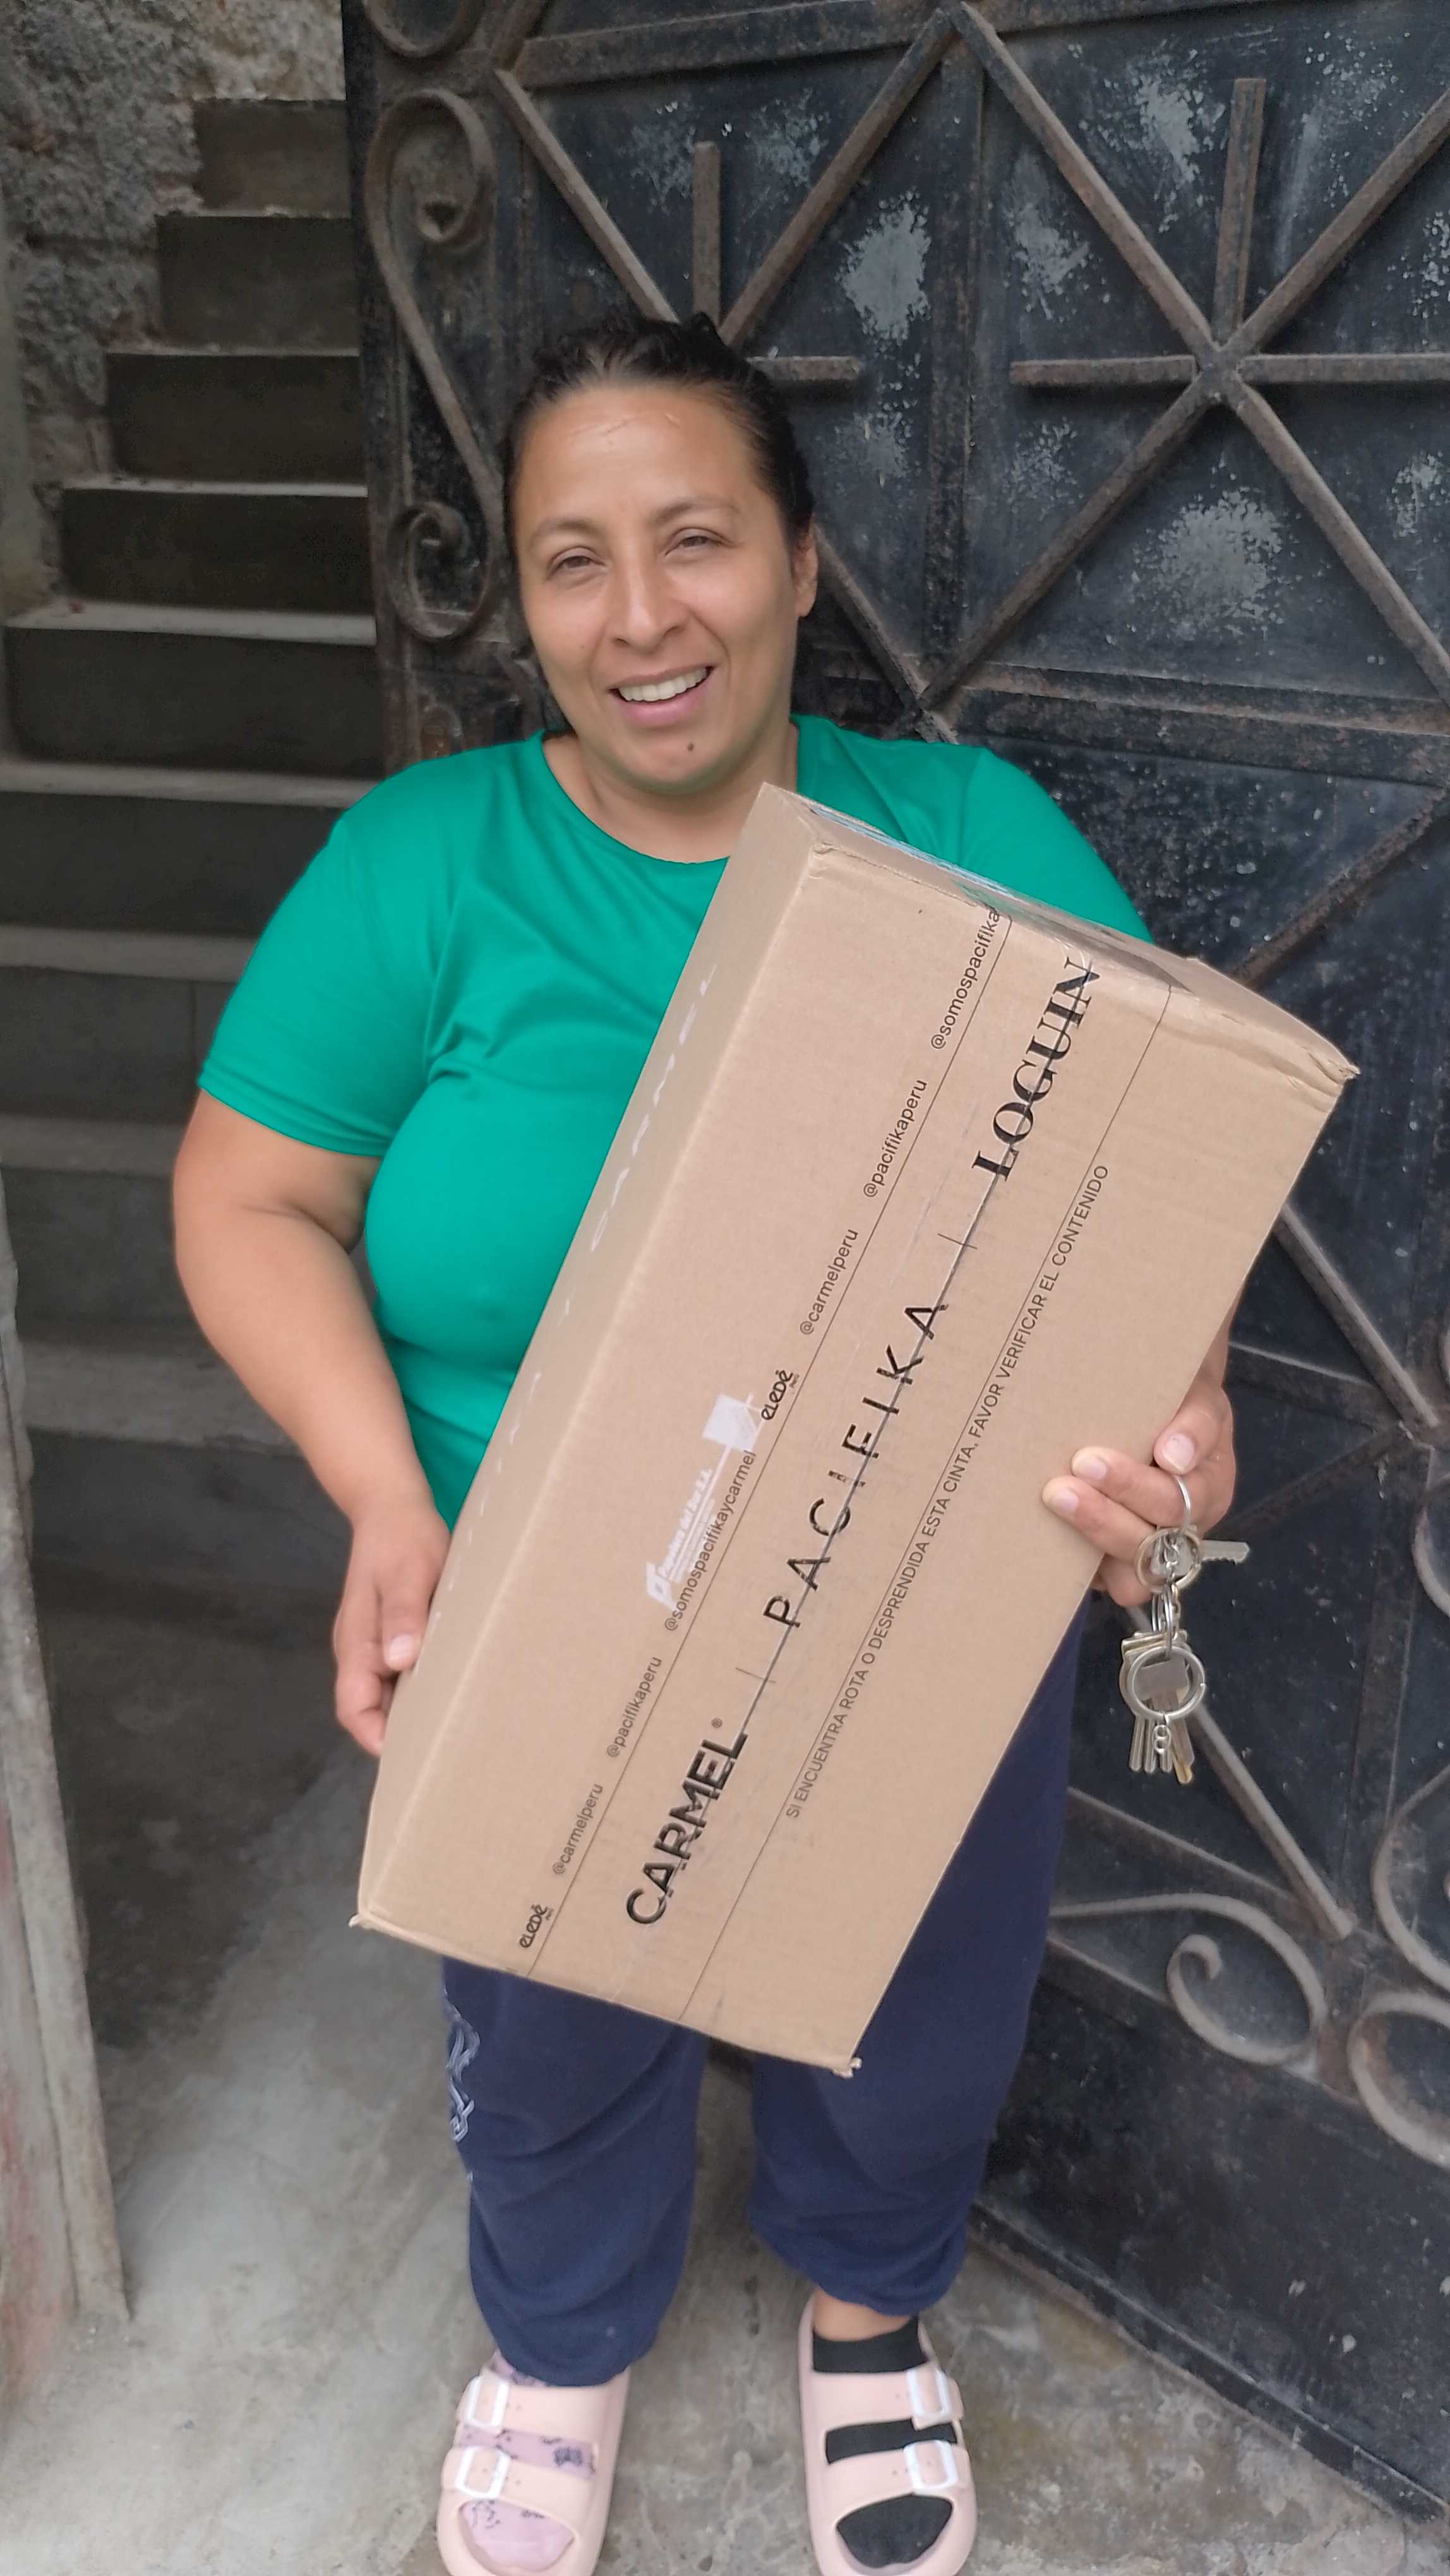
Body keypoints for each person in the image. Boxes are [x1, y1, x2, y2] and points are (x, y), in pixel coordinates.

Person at [173, 311, 1235, 2576]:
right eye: (575, 560)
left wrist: (1184, 1412)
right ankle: (563, 2341)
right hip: (539, 1588)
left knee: (916, 1998)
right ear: (525, 604)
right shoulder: (424, 866)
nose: (641, 616)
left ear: (800, 562)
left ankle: (869, 2316)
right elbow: (246, 1200)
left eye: (697, 541)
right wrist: (383, 1495)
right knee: (550, 2014)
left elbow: (1164, 1177)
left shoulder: (966, 836)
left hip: (913, 1588)